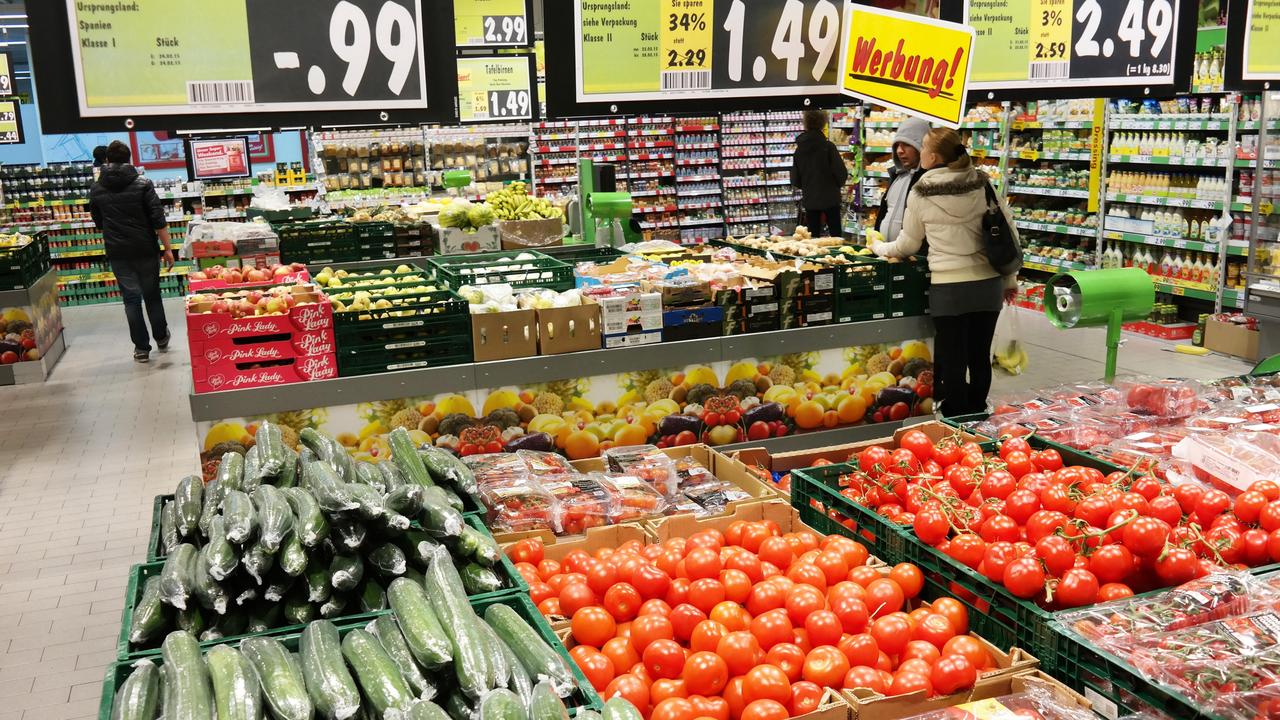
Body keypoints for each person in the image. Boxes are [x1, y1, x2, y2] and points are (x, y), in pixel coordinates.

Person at [869, 127, 1018, 417]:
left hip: (949, 288)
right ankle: (978, 416)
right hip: (987, 284)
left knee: (952, 357)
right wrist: (1009, 279)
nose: (920, 151)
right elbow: (1006, 230)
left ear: (932, 156)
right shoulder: (981, 183)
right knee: (979, 356)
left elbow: (907, 244)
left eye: (922, 147)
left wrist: (879, 248)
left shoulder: (921, 191)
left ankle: (955, 418)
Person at [89, 140, 175, 363]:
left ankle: (141, 348)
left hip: (118, 252)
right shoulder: (143, 183)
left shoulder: (97, 188)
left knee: (131, 300)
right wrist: (168, 249)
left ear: (107, 161)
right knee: (152, 295)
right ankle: (161, 337)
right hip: (145, 249)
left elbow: (98, 222)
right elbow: (158, 219)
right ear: (129, 159)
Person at [791, 109, 848, 238]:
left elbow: (795, 179)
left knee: (812, 238)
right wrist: (836, 185)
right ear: (823, 123)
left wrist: (808, 185)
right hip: (831, 199)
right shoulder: (828, 147)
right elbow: (841, 173)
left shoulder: (799, 150)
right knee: (836, 237)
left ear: (805, 123)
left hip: (810, 200)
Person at [875, 117, 930, 243]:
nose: (900, 151)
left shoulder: (928, 181)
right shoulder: (896, 176)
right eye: (897, 145)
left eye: (906, 145)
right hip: (885, 254)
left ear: (921, 147)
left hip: (913, 258)